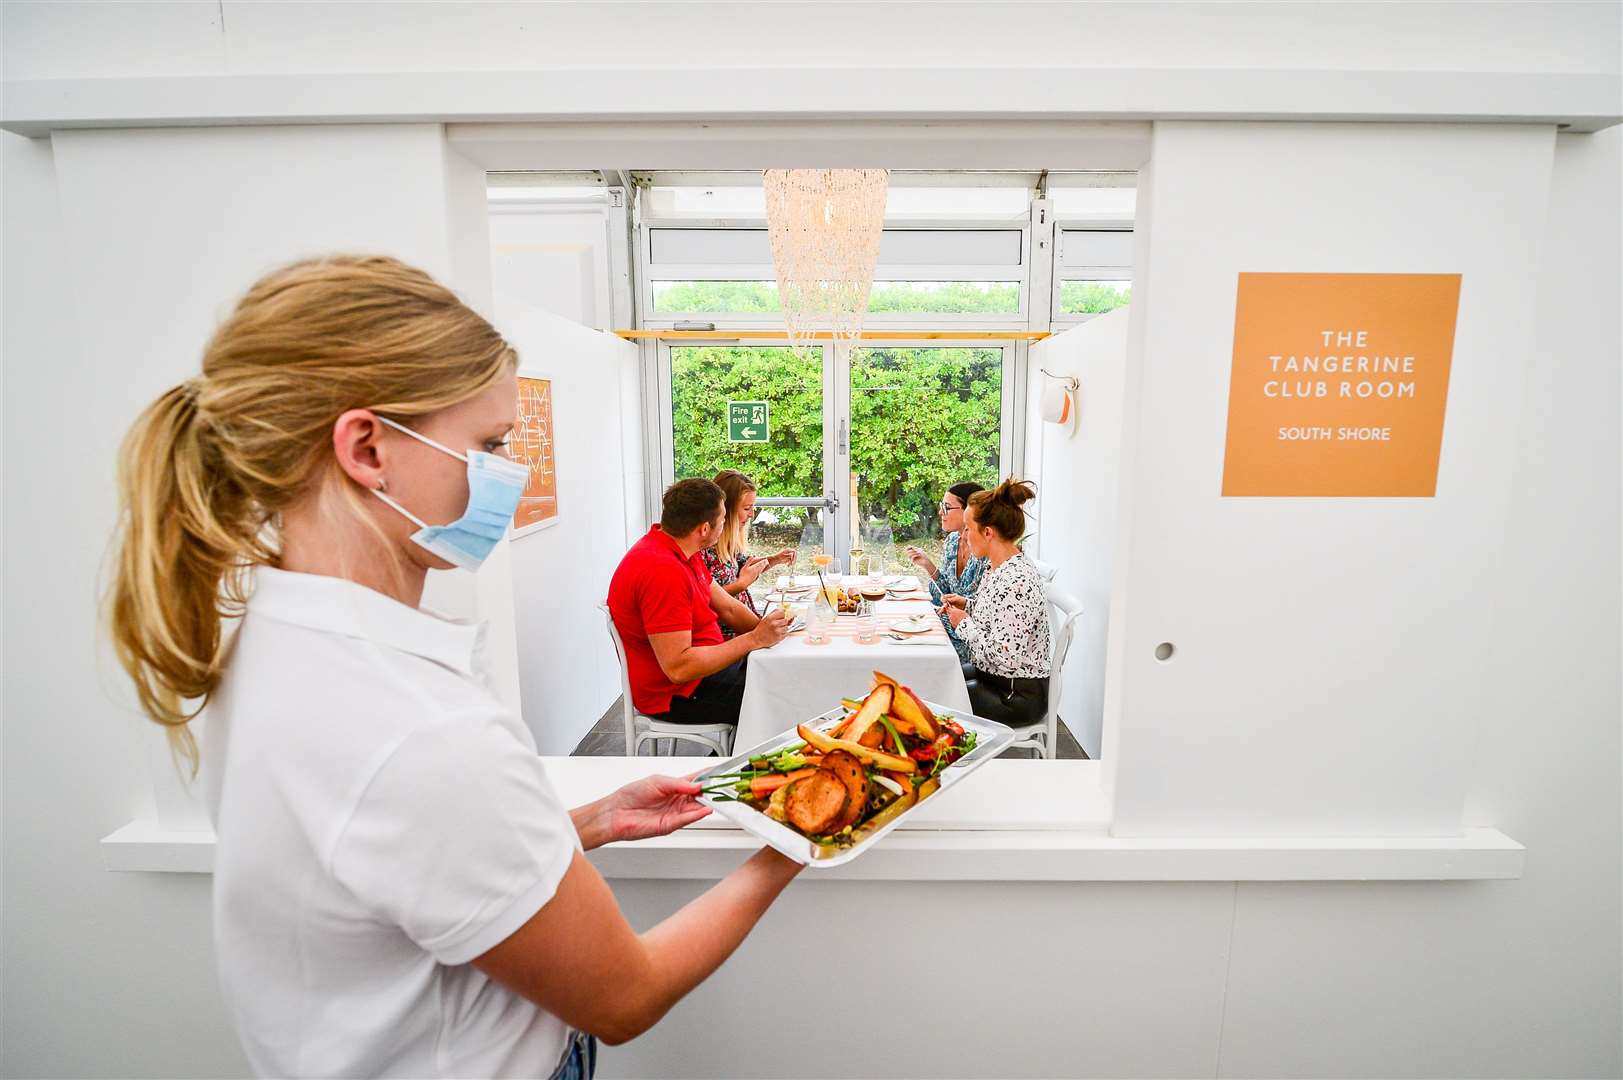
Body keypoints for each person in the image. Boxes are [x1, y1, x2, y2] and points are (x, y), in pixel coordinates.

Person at [105, 255, 802, 1080]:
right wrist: (795, 837)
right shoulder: (419, 726)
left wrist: (588, 822)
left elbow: (396, 868)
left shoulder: (263, 639)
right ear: (368, 448)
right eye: (489, 443)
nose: (509, 473)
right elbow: (626, 996)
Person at [608, 478, 790, 728]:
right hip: (678, 693)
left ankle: (738, 756)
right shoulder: (662, 571)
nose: (727, 523)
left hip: (706, 672)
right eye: (723, 518)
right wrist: (754, 639)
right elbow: (678, 668)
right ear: (705, 528)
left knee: (784, 675)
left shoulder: (680, 548)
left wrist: (772, 631)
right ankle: (735, 765)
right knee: (783, 697)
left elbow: (727, 606)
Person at [941, 480, 1052, 729]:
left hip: (1016, 696)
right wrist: (967, 605)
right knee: (941, 679)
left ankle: (958, 765)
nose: (964, 535)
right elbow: (998, 615)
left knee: (941, 698)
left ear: (988, 532)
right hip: (996, 678)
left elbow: (1005, 658)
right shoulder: (1000, 567)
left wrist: (964, 625)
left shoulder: (1017, 581)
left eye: (969, 528)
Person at [701, 469, 795, 639]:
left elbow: (744, 564)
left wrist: (775, 559)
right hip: (727, 637)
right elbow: (707, 600)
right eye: (746, 508)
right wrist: (741, 584)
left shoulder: (726, 541)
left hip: (744, 629)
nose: (751, 514)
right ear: (725, 510)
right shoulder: (705, 547)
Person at [904, 481, 989, 661]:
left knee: (908, 646)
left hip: (969, 640)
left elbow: (983, 614)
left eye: (947, 507)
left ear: (969, 511)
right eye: (941, 506)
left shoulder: (985, 550)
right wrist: (928, 565)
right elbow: (943, 595)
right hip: (951, 627)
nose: (940, 512)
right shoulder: (952, 541)